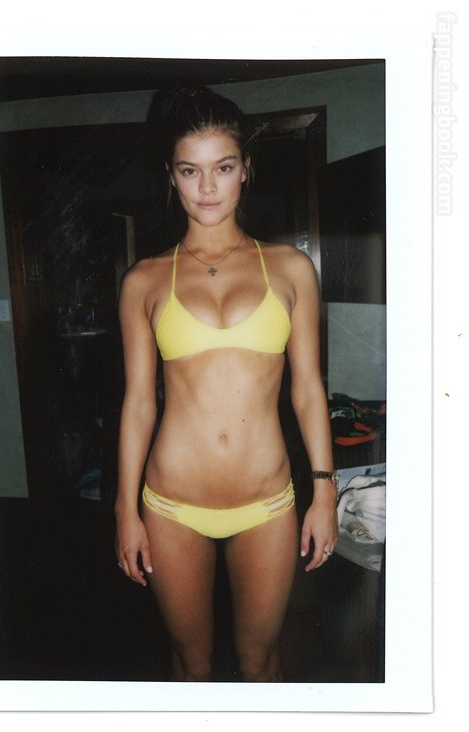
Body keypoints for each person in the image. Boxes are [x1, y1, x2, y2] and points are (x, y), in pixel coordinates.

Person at [114, 85, 338, 682]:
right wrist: (124, 510)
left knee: (260, 663)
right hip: (170, 505)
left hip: (267, 504)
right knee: (192, 665)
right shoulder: (143, 280)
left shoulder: (291, 268)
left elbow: (308, 390)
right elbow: (138, 404)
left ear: (246, 170)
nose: (207, 187)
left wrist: (325, 494)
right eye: (190, 170)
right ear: (171, 177)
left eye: (224, 167)